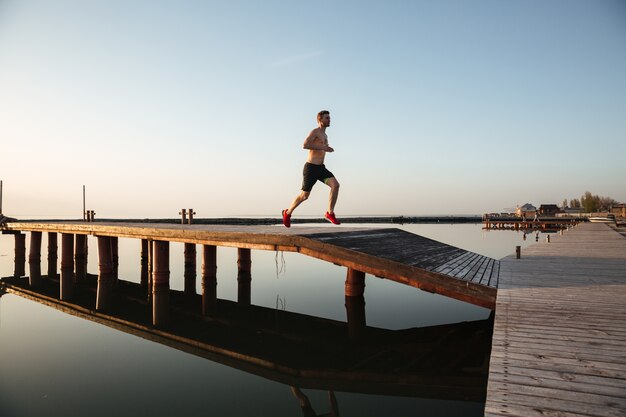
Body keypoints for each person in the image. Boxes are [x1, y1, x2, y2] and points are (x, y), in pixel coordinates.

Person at [282, 110, 340, 227]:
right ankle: (287, 213)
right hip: (311, 168)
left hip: (321, 168)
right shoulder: (315, 132)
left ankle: (330, 213)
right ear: (320, 120)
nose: (329, 120)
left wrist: (325, 148)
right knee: (304, 196)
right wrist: (322, 147)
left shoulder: (325, 135)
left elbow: (320, 148)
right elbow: (305, 145)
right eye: (326, 118)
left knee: (336, 185)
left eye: (329, 117)